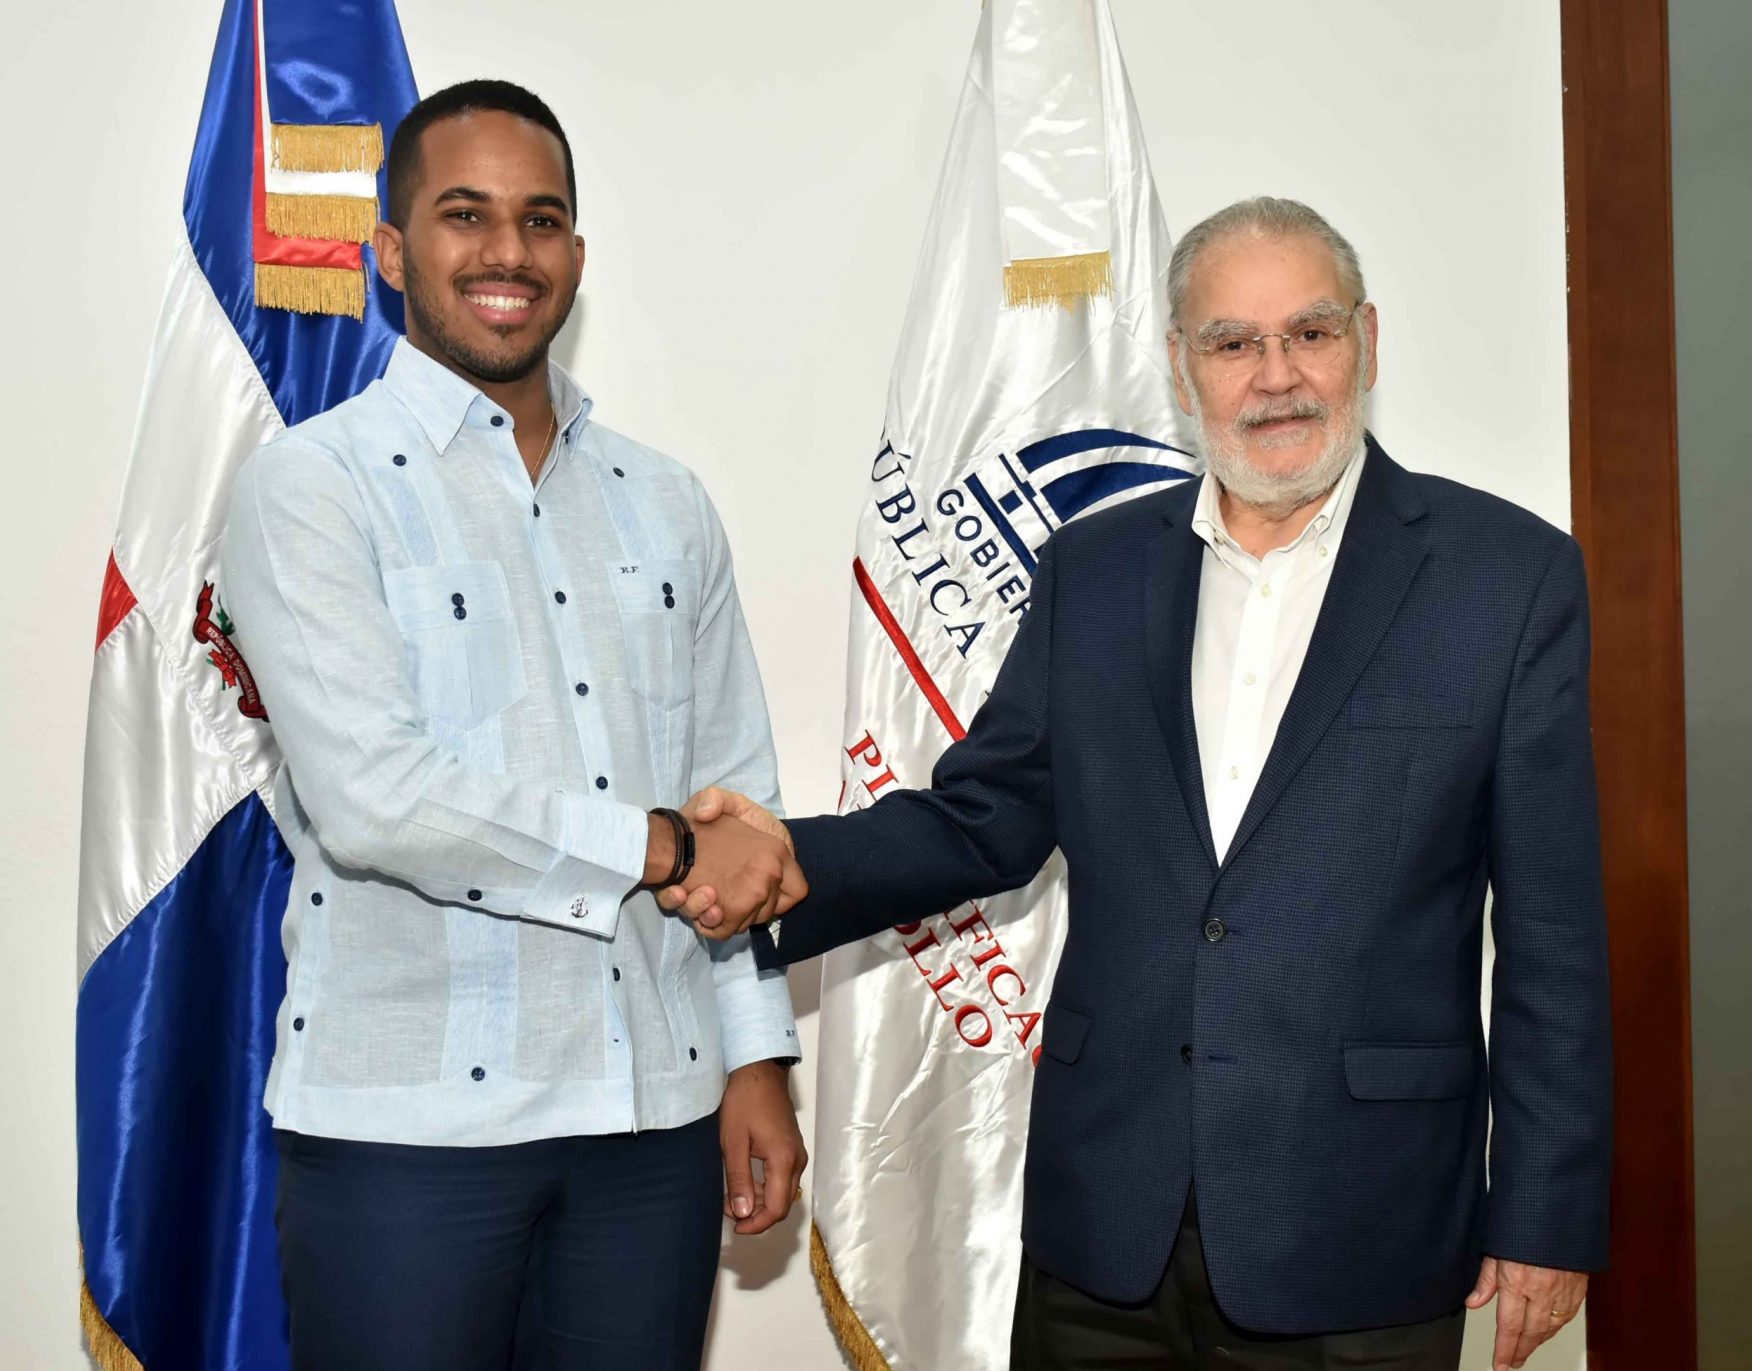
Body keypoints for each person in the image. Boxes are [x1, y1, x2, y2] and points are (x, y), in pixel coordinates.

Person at [668, 198, 1612, 1371]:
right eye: (1232, 342)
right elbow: (984, 822)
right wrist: (791, 861)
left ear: (1366, 338)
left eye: (1310, 333)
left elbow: (1556, 937)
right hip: (1104, 1234)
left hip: (1362, 1233)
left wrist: (1546, 1215)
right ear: (1180, 363)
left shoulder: (1505, 578)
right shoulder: (1094, 568)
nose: (1277, 377)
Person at [221, 79, 808, 1371]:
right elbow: (381, 797)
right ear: (390, 253)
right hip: (406, 1133)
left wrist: (756, 1055)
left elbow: (733, 794)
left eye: (541, 221)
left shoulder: (666, 499)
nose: (506, 252)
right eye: (463, 215)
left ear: (577, 259)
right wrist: (657, 848)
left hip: (651, 1121)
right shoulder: (309, 488)